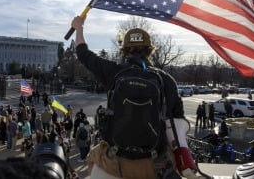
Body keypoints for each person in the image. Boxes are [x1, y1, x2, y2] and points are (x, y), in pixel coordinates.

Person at [71, 16, 196, 178]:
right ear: (150, 50)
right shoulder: (166, 80)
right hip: (155, 165)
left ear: (125, 50)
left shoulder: (114, 72)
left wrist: (78, 28)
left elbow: (83, 54)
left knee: (93, 159)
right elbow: (177, 124)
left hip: (115, 162)